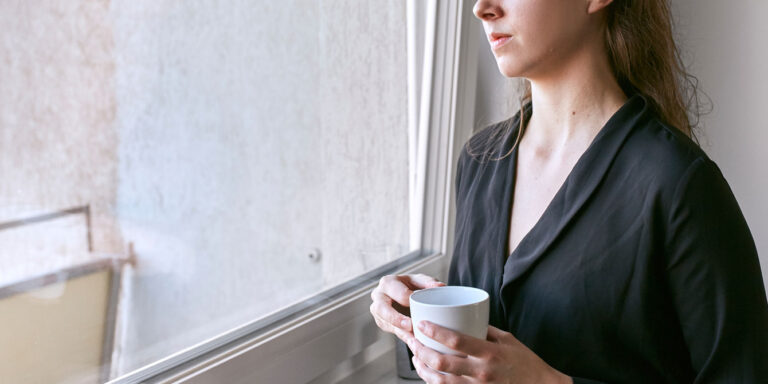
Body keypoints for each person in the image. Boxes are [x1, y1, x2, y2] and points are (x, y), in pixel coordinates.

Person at [370, 0, 768, 383]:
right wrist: (413, 321)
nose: (482, 7)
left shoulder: (678, 184)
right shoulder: (479, 162)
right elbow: (472, 360)